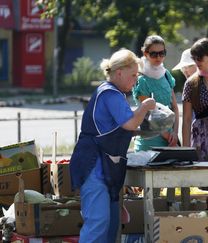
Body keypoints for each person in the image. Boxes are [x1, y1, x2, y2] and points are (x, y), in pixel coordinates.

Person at [69, 49, 156, 242]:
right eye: (133, 75)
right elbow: (130, 124)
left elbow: (125, 125)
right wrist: (144, 107)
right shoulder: (110, 94)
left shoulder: (111, 93)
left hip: (105, 168)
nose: (135, 80)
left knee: (110, 225)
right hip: (95, 167)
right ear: (119, 73)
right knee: (98, 223)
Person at [132, 35, 179, 150]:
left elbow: (175, 108)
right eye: (153, 54)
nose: (158, 57)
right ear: (145, 54)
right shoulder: (141, 79)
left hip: (169, 139)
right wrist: (168, 136)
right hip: (149, 141)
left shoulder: (166, 74)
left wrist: (175, 134)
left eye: (162, 53)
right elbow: (149, 114)